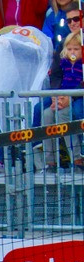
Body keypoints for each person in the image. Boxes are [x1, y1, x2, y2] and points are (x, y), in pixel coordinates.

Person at [41, 30, 83, 169]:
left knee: (63, 114)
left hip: (78, 97)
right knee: (46, 114)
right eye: (69, 48)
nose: (72, 52)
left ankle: (76, 158)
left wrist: (70, 97)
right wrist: (56, 96)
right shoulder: (63, 63)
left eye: (76, 49)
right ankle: (50, 160)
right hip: (63, 96)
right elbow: (56, 78)